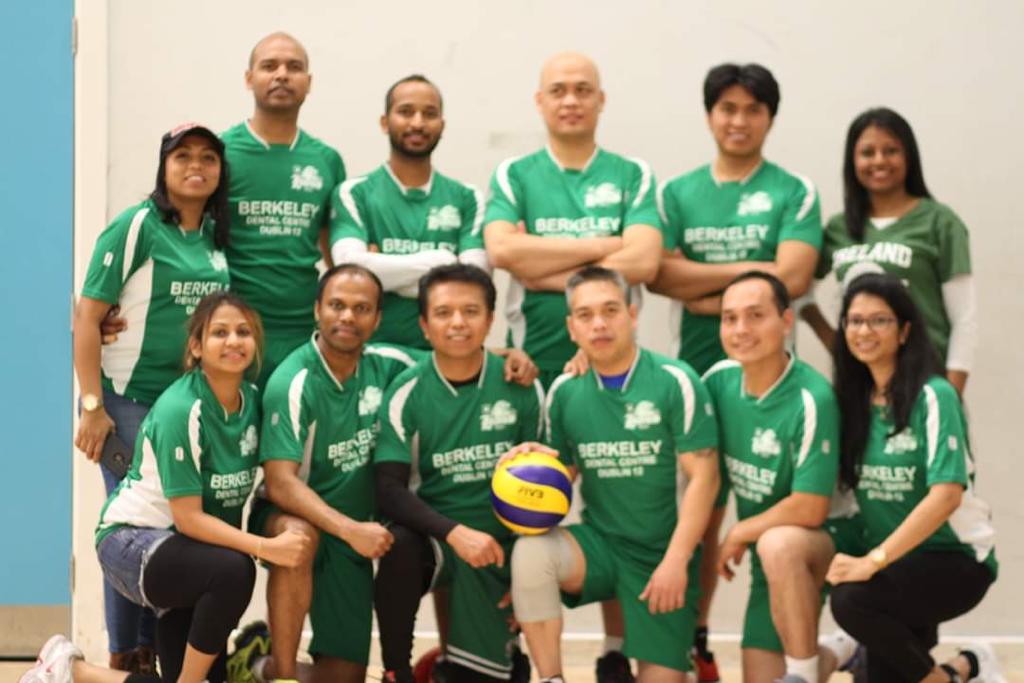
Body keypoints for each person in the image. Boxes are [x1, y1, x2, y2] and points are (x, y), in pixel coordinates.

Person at [26, 292, 308, 683]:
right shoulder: (182, 408)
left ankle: (72, 670)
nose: (233, 341)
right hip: (131, 540)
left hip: (190, 553)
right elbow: (189, 519)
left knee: (195, 670)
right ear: (196, 347)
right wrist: (265, 546)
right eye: (220, 332)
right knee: (236, 570)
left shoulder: (253, 403)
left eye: (243, 332)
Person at [649, 64, 823, 679]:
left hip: (770, 384)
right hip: (700, 376)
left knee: (771, 515)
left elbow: (794, 276)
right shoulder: (676, 193)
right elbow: (659, 274)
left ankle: (783, 643)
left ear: (770, 117)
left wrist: (707, 290)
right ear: (709, 115)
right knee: (698, 512)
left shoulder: (794, 191)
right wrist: (754, 276)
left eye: (753, 109)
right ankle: (694, 634)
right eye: (727, 108)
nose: (739, 120)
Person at [507, 265, 720, 683]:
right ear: (571, 328)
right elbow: (560, 479)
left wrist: (676, 561)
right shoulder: (565, 391)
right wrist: (526, 470)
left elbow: (704, 479)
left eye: (610, 310)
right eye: (585, 315)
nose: (599, 324)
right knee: (531, 554)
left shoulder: (676, 381)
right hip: (600, 548)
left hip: (661, 556)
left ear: (632, 314)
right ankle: (551, 678)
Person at [73, 122, 233, 674]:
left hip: (183, 409)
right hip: (126, 405)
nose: (196, 166)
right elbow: (87, 318)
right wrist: (92, 407)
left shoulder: (213, 234)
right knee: (131, 529)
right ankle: (123, 656)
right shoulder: (137, 225)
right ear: (164, 168)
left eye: (208, 158)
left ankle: (151, 653)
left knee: (168, 529)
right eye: (183, 156)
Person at [227, 264, 419, 683]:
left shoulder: (391, 364)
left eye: (361, 308)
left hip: (350, 535)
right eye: (336, 305)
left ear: (377, 318)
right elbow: (280, 482)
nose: (347, 316)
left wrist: (509, 359)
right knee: (299, 538)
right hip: (290, 514)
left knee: (344, 677)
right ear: (317, 310)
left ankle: (253, 664)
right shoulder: (293, 380)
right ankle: (282, 675)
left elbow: (452, 361)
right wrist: (350, 529)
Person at [373, 264, 545, 683]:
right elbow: (389, 489)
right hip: (438, 539)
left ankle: (489, 661)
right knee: (399, 546)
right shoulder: (407, 391)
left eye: (470, 311)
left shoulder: (522, 386)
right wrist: (455, 533)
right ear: (424, 324)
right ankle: (397, 671)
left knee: (484, 677)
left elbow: (543, 493)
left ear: (490, 320)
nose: (457, 323)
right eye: (443, 312)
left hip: (500, 545)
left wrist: (528, 573)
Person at [826, 273, 1000, 683]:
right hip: (898, 564)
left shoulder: (934, 396)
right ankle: (968, 666)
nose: (864, 331)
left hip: (955, 559)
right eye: (855, 320)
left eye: (879, 320)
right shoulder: (853, 403)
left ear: (904, 331)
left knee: (850, 601)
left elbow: (946, 496)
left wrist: (873, 561)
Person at [703, 271, 854, 683]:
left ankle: (802, 672)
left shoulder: (812, 398)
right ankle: (839, 652)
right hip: (769, 556)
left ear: (786, 321)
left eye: (755, 316)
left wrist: (738, 532)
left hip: (831, 540)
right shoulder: (718, 381)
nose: (740, 329)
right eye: (730, 318)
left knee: (778, 543)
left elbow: (810, 507)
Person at [484, 52, 663, 391]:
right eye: (558, 91)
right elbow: (503, 250)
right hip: (530, 365)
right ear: (540, 100)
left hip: (614, 365)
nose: (570, 101)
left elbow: (644, 261)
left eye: (583, 90)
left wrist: (541, 271)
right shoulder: (514, 174)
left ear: (601, 99)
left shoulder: (633, 173)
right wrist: (605, 245)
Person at [801, 108, 976, 395]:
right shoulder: (838, 228)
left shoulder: (940, 222)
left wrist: (952, 394)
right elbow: (799, 292)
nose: (879, 161)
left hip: (925, 378)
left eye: (891, 151)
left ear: (909, 156)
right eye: (867, 152)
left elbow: (964, 319)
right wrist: (836, 343)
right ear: (852, 161)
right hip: (860, 386)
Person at [329, 74, 489, 349]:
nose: (417, 123)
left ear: (442, 125)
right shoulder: (353, 194)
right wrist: (444, 262)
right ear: (384, 122)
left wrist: (381, 270)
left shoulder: (468, 198)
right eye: (406, 112)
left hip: (445, 357)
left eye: (429, 114)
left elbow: (474, 285)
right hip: (372, 354)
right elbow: (352, 275)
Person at [222, 32, 346, 384]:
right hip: (235, 329)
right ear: (249, 78)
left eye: (294, 67)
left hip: (302, 331)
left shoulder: (326, 160)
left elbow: (333, 249)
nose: (281, 75)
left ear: (308, 81)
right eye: (269, 66)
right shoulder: (220, 153)